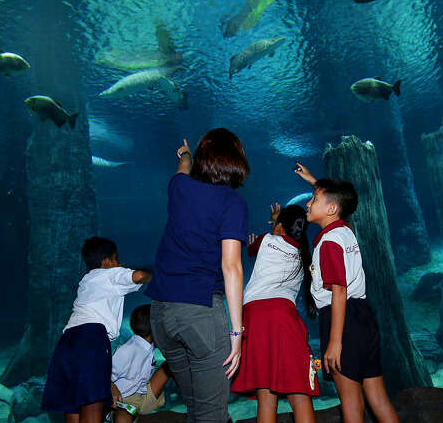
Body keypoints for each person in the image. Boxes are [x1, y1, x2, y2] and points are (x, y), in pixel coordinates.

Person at [144, 128, 250, 423]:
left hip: (161, 314)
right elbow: (231, 267)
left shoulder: (179, 188)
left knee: (196, 409)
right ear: (236, 160)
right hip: (200, 314)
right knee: (211, 415)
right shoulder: (232, 203)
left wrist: (186, 154)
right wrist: (237, 332)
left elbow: (182, 169)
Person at [294, 163, 399, 423]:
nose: (308, 204)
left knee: (351, 405)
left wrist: (334, 342)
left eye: (314, 199)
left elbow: (338, 291)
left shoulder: (328, 243)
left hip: (342, 320)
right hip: (364, 317)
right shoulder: (344, 231)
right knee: (378, 397)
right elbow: (337, 201)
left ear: (330, 209)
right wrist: (314, 182)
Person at [42, 237, 153, 423]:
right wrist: (153, 271)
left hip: (66, 344)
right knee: (93, 404)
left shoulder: (86, 280)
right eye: (116, 260)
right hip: (91, 339)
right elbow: (140, 276)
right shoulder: (109, 273)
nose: (119, 264)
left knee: (74, 404)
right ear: (107, 262)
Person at [231, 203, 320, 423]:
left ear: (280, 226)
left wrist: (273, 223)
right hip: (284, 319)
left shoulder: (266, 240)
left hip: (253, 319)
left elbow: (252, 250)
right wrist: (279, 223)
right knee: (299, 393)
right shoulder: (305, 255)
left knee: (266, 395)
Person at [109, 304, 171, 423]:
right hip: (124, 401)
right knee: (123, 418)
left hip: (142, 396)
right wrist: (112, 387)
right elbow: (102, 373)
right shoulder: (127, 350)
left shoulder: (148, 345)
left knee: (173, 363)